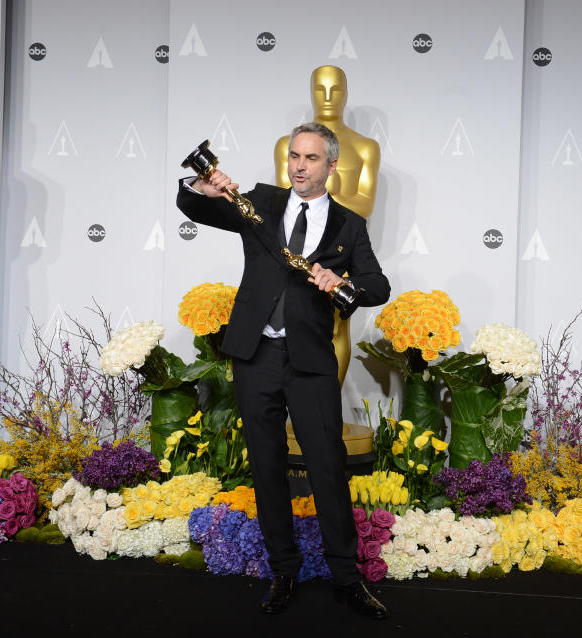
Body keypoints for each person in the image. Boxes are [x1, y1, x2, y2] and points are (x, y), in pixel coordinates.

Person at [176, 122, 390, 618]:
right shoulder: (263, 203)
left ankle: (346, 578)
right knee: (267, 464)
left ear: (331, 166)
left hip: (312, 359)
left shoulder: (349, 224)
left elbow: (377, 285)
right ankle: (284, 570)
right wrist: (198, 187)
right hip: (257, 355)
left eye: (310, 158)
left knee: (327, 467)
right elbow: (194, 209)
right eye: (294, 156)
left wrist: (344, 281)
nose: (298, 165)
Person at [274, 65, 381, 385]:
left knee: (337, 324)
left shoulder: (365, 147)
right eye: (320, 88)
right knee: (287, 320)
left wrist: (322, 197)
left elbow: (365, 204)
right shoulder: (285, 145)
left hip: (339, 248)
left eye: (336, 89)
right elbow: (288, 198)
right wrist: (325, 196)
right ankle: (294, 405)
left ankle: (329, 403)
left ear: (346, 93)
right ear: (310, 91)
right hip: (294, 252)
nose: (328, 96)